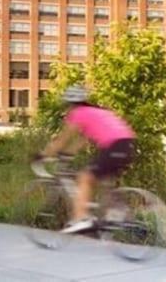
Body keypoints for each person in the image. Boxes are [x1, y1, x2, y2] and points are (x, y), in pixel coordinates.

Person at [39, 85, 136, 234]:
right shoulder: (97, 112)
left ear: (69, 103)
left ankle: (82, 218)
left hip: (114, 146)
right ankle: (117, 211)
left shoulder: (78, 113)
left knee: (84, 177)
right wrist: (69, 153)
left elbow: (62, 139)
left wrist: (43, 155)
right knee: (105, 179)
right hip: (128, 145)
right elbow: (83, 139)